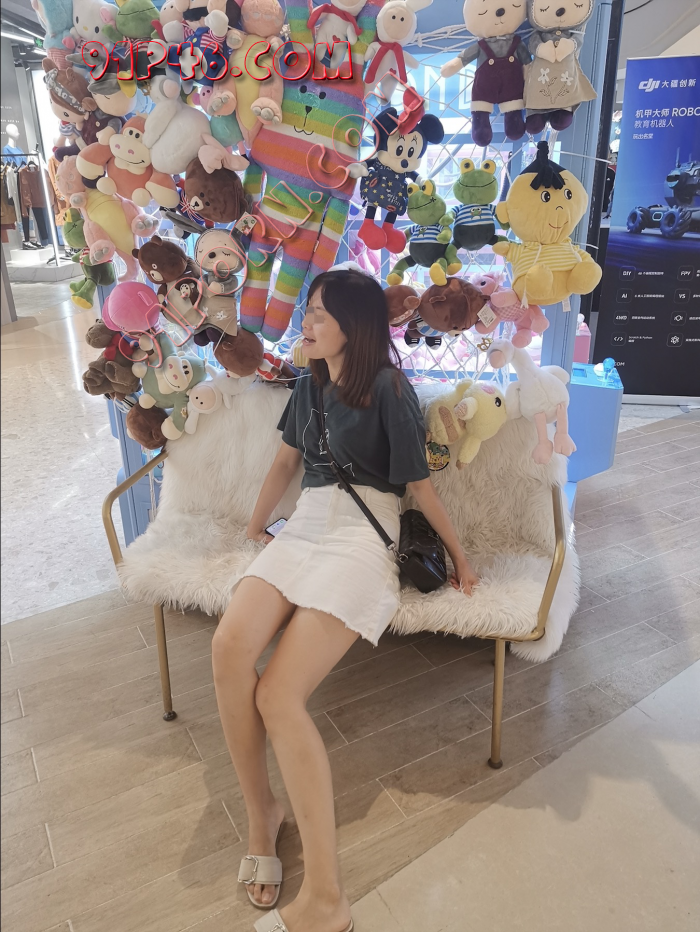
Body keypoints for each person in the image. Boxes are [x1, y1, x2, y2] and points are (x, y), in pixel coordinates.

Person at [212, 268, 479, 932]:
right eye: (307, 311)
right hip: (305, 525)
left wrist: (462, 558)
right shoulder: (307, 385)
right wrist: (255, 530)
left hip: (364, 534)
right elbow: (285, 464)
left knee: (278, 694)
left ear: (353, 329)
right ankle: (262, 813)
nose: (305, 323)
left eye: (319, 315)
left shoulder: (389, 388)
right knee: (228, 650)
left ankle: (327, 899)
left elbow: (419, 488)